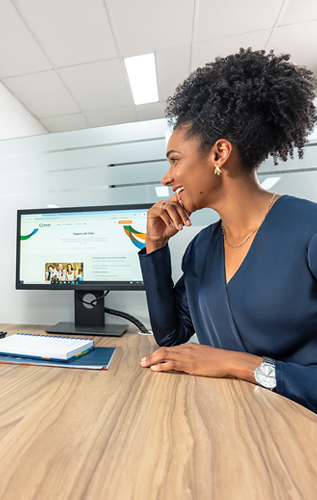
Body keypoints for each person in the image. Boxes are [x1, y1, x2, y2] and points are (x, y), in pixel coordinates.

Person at [139, 48, 317, 413]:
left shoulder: (309, 232)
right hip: (228, 426)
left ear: (219, 154)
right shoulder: (202, 248)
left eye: (175, 160)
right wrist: (155, 247)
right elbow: (173, 337)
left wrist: (240, 364)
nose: (167, 177)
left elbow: (223, 361)